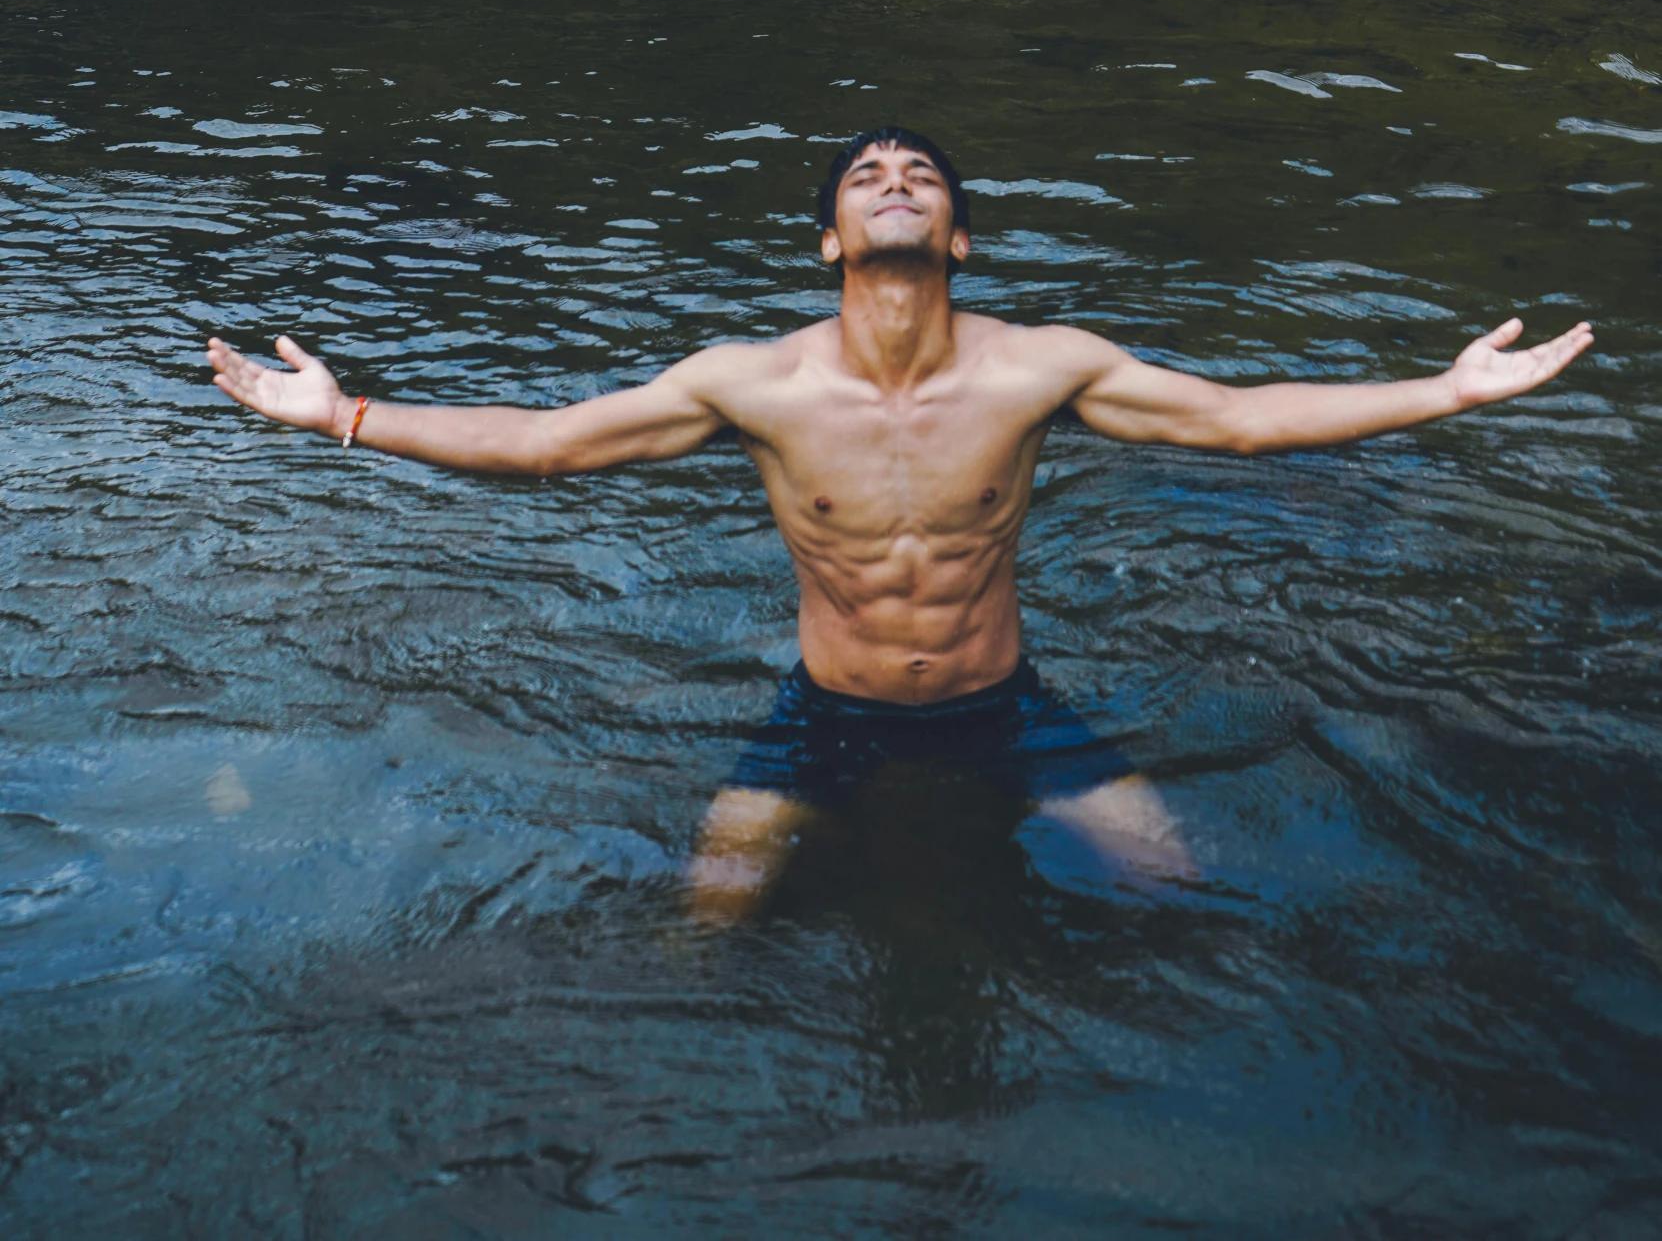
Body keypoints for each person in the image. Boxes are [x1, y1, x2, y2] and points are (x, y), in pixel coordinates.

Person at [205, 126, 1593, 922]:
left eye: (917, 173)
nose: (889, 178)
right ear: (826, 242)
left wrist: (1443, 390)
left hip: (1002, 705)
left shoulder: (1040, 366)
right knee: (705, 927)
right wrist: (345, 415)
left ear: (960, 240)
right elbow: (555, 445)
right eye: (863, 173)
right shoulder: (749, 383)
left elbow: (1235, 420)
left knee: (1185, 900)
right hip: (826, 710)